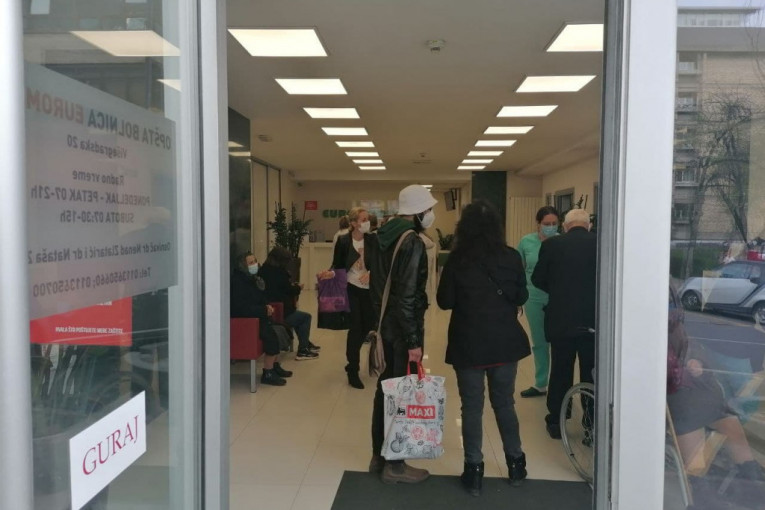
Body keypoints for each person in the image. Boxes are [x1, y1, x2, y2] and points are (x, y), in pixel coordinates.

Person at [436, 200, 531, 496]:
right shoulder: (511, 256)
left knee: (472, 407)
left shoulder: (457, 260)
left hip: (469, 344)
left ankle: (474, 470)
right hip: (504, 343)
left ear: (464, 227)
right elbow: (522, 296)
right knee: (504, 403)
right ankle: (516, 464)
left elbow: (444, 301)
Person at [667, 289, 765, 510]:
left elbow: (693, 349)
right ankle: (702, 493)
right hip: (678, 399)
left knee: (729, 423)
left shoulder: (677, 327)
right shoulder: (652, 330)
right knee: (693, 417)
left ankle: (750, 486)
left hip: (699, 394)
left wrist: (696, 362)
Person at [368, 184, 436, 484]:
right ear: (418, 212)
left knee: (385, 391)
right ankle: (395, 465)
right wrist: (413, 341)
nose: (430, 214)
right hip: (401, 329)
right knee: (400, 395)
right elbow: (407, 296)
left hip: (385, 325)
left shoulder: (381, 236)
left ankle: (378, 456)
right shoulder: (411, 242)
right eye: (428, 209)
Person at [531, 208, 597, 439]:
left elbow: (537, 279)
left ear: (565, 226)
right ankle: (591, 424)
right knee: (591, 372)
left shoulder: (552, 245)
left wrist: (558, 290)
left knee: (561, 370)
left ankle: (557, 422)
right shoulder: (601, 244)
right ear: (588, 225)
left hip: (561, 319)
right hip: (593, 321)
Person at [319, 207, 375, 389]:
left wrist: (371, 273)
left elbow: (381, 263)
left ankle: (353, 356)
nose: (367, 222)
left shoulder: (373, 240)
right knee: (356, 328)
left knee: (368, 324)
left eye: (367, 219)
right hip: (351, 288)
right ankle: (353, 369)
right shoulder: (344, 241)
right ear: (353, 223)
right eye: (363, 219)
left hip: (369, 290)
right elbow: (337, 264)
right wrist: (329, 273)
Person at [230, 252, 293, 386]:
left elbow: (260, 298)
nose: (255, 265)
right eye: (250, 263)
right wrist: (263, 310)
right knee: (272, 334)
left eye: (255, 261)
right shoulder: (238, 282)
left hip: (258, 317)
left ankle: (274, 365)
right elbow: (241, 308)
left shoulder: (253, 279)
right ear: (243, 266)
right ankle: (268, 372)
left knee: (281, 329)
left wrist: (267, 306)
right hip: (247, 322)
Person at [516, 206, 560, 398]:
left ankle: (559, 383)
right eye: (546, 224)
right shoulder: (527, 241)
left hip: (557, 297)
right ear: (538, 224)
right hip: (533, 297)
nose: (550, 227)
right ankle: (541, 383)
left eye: (554, 223)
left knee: (558, 341)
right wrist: (518, 297)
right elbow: (519, 269)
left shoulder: (561, 242)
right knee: (539, 341)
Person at [260, 247, 320, 361]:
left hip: (271, 307)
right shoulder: (279, 273)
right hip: (280, 311)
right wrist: (298, 287)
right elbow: (289, 290)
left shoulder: (263, 270)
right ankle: (303, 349)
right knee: (305, 317)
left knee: (298, 316)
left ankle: (305, 342)